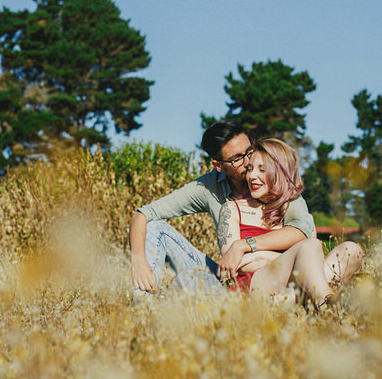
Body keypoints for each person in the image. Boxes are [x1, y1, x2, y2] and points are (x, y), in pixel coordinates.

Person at [129, 120, 316, 296]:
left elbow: (303, 230)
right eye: (237, 159)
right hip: (230, 278)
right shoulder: (208, 187)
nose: (247, 162)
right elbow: (143, 214)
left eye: (249, 152)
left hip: (276, 276)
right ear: (218, 165)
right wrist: (138, 260)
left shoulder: (277, 182)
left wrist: (242, 246)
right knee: (156, 230)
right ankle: (141, 309)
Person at [217, 138, 364, 309]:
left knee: (352, 250)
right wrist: (298, 259)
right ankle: (327, 305)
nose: (252, 176)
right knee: (309, 247)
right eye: (250, 169)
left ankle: (292, 302)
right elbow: (234, 266)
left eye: (262, 170)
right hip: (254, 284)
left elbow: (314, 257)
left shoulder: (295, 209)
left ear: (280, 172)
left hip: (291, 286)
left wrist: (263, 255)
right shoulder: (231, 209)